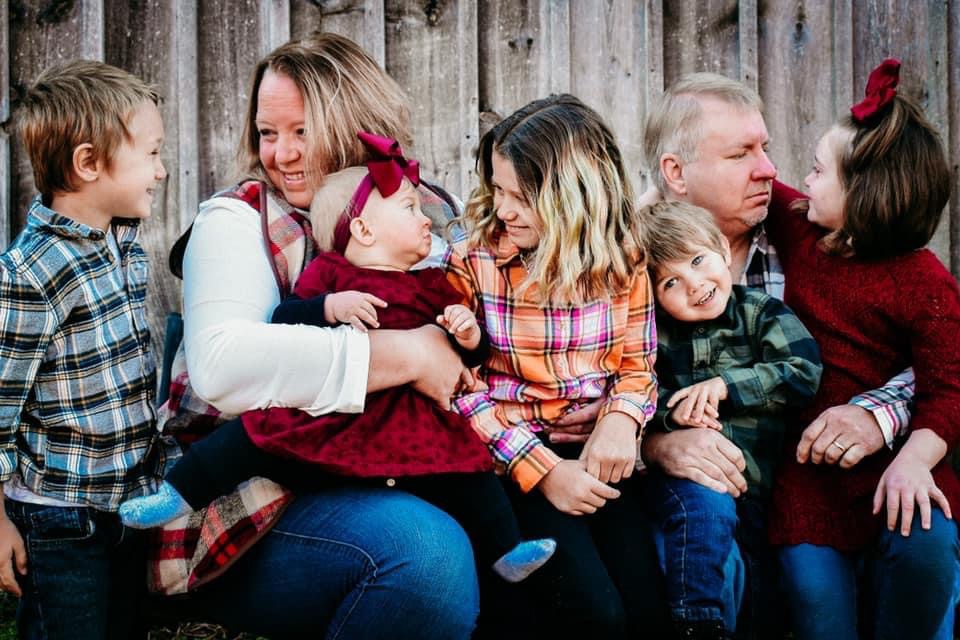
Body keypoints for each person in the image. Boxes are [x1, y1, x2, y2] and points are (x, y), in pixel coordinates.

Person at [150, 34, 479, 638]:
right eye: (267, 133)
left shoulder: (424, 208)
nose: (281, 154)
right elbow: (223, 367)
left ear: (356, 124)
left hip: (415, 458)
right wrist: (408, 353)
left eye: (302, 131)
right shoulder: (237, 218)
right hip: (268, 492)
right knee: (425, 556)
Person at [120, 133, 556, 583]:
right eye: (409, 209)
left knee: (470, 466)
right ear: (364, 230)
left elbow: (470, 354)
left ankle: (506, 552)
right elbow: (283, 319)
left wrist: (467, 332)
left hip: (405, 421)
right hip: (335, 416)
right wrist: (328, 308)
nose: (426, 218)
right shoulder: (331, 274)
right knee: (251, 437)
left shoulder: (430, 284)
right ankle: (174, 496)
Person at [446, 94, 665, 638]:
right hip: (512, 463)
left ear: (575, 198)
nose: (504, 210)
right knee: (595, 615)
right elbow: (457, 391)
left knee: (648, 611)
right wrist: (544, 471)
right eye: (498, 190)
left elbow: (638, 364)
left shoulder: (623, 259)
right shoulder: (473, 262)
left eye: (521, 197)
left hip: (597, 457)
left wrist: (621, 420)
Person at [766, 58, 960, 640]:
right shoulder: (804, 236)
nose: (804, 180)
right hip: (810, 481)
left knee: (926, 555)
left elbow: (950, 389)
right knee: (815, 603)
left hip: (901, 466)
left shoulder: (925, 283)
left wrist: (914, 460)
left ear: (865, 192)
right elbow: (743, 182)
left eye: (818, 170)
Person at [0, 60, 171, 639]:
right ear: (89, 163)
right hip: (60, 516)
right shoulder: (32, 273)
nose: (161, 170)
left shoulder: (122, 244)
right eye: (151, 154)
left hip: (124, 501)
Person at [639, 200, 822, 638]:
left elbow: (803, 371)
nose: (695, 285)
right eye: (670, 282)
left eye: (698, 261)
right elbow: (637, 394)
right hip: (686, 483)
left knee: (759, 592)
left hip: (757, 490)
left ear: (723, 248)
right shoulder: (655, 337)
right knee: (705, 513)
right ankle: (698, 623)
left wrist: (727, 386)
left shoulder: (761, 313)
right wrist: (671, 412)